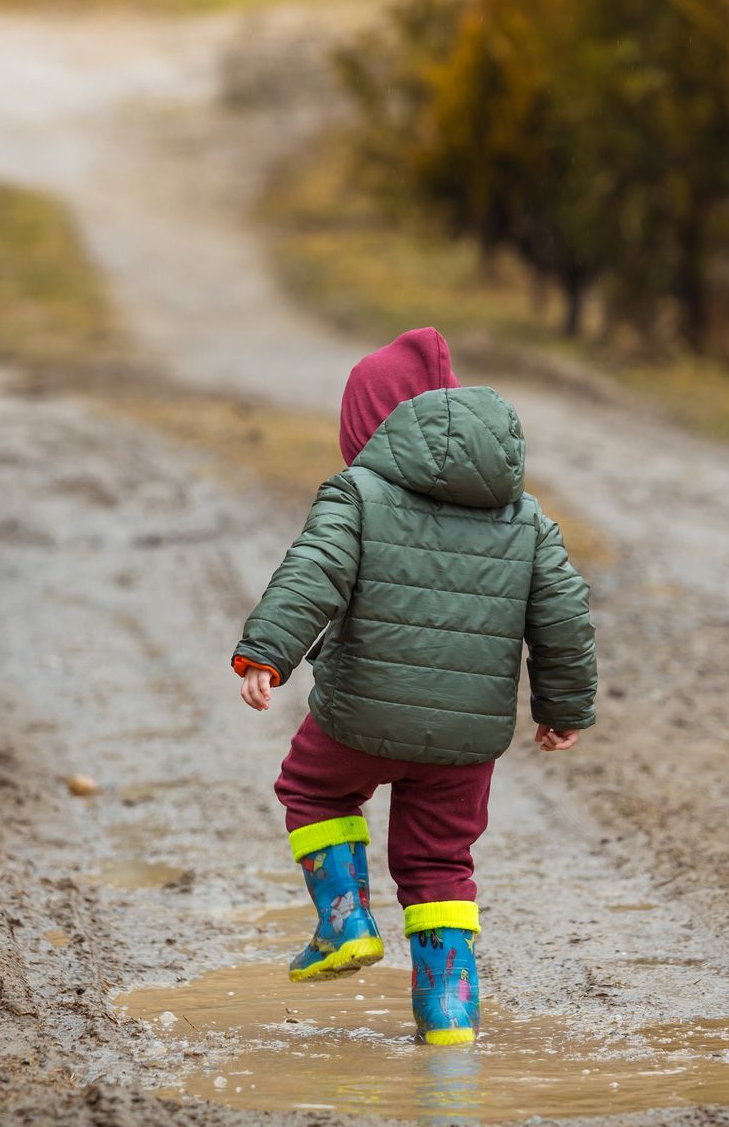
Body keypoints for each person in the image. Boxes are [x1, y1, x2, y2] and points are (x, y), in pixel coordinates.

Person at [231, 327, 598, 1046]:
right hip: (466, 743)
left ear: (373, 429)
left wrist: (266, 655)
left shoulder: (358, 494)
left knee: (312, 789)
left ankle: (345, 923)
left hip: (357, 719)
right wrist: (562, 708)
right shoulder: (526, 518)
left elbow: (313, 574)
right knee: (439, 862)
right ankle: (450, 1015)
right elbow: (564, 616)